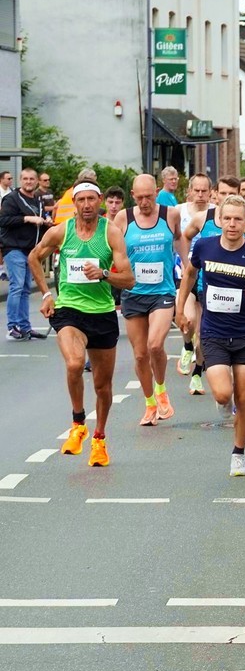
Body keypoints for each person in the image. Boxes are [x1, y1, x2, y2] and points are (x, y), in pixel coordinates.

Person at [28, 182, 135, 465]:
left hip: (102, 313)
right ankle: (78, 423)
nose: (86, 205)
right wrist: (47, 294)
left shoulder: (110, 232)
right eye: (81, 200)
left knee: (102, 385)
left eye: (91, 199)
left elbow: (129, 279)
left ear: (100, 200)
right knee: (75, 364)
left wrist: (103, 274)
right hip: (69, 310)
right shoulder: (61, 231)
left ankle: (99, 438)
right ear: (74, 203)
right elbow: (34, 257)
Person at [177, 196, 245, 475]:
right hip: (214, 333)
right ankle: (225, 403)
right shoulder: (205, 246)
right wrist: (180, 308)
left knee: (243, 398)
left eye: (238, 219)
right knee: (223, 395)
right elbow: (189, 275)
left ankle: (238, 453)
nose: (232, 224)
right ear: (219, 220)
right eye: (228, 218)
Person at [109, 174, 182, 425]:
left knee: (155, 345)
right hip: (133, 293)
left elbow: (179, 239)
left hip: (163, 291)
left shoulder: (170, 215)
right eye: (139, 198)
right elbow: (112, 249)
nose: (144, 202)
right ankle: (150, 403)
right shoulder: (123, 218)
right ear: (132, 196)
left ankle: (161, 390)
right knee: (140, 355)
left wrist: (188, 267)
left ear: (156, 192)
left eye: (148, 196)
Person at [1, 168, 55, 340]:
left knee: (25, 289)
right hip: (13, 248)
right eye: (25, 179)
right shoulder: (12, 199)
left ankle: (25, 327)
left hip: (31, 250)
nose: (29, 182)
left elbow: (40, 219)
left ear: (36, 181)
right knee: (17, 286)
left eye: (32, 179)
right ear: (20, 180)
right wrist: (27, 219)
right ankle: (12, 327)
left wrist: (47, 222)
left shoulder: (38, 200)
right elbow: (3, 220)